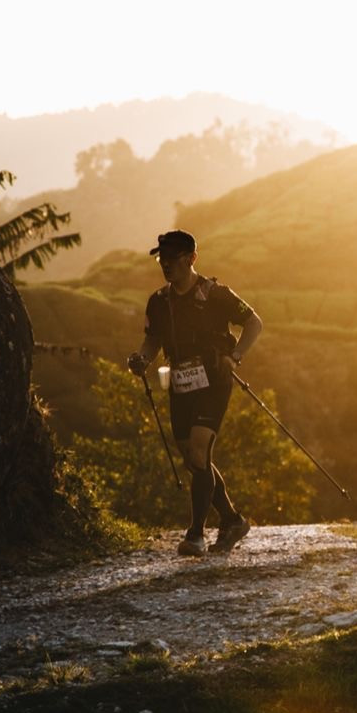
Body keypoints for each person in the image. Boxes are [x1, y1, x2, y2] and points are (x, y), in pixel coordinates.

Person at [126, 229, 263, 557]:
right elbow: (153, 339)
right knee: (192, 458)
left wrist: (235, 357)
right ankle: (232, 520)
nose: (166, 265)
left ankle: (196, 535)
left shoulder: (216, 293)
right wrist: (142, 359)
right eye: (162, 259)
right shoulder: (158, 301)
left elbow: (254, 322)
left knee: (200, 452)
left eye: (172, 259)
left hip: (214, 380)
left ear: (191, 259)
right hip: (179, 383)